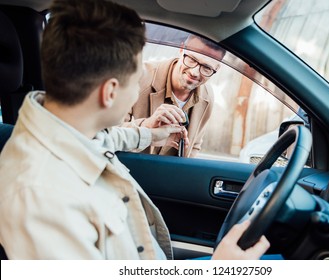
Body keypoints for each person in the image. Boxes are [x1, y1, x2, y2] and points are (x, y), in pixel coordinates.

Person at [0, 0, 269, 259]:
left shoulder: (70, 130)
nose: (140, 86)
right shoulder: (38, 197)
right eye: (136, 78)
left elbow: (108, 138)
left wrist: (152, 131)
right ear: (110, 92)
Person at [124, 33, 226, 157]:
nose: (194, 72)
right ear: (181, 49)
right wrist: (147, 125)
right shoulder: (137, 77)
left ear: (217, 68)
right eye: (192, 59)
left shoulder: (208, 96)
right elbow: (108, 134)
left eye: (206, 67)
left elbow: (194, 146)